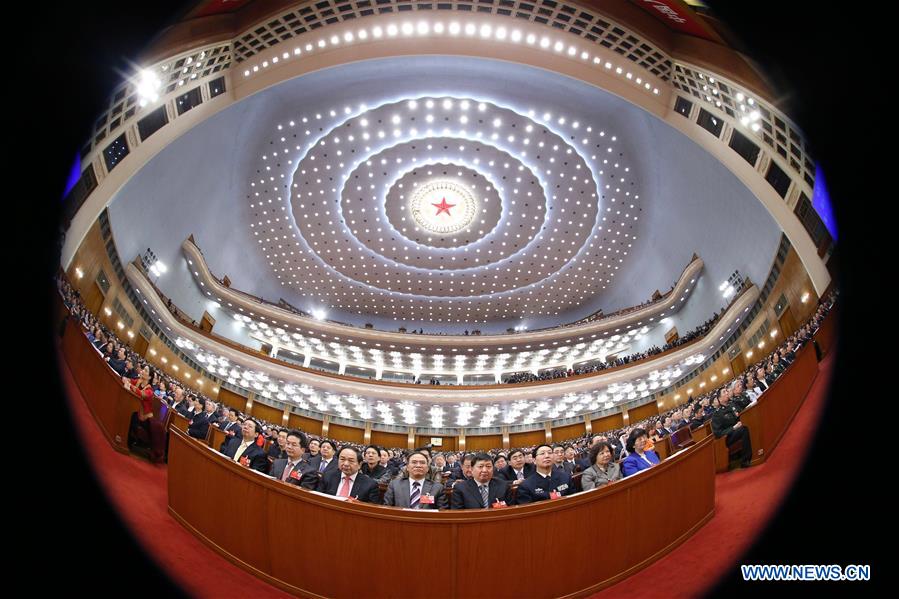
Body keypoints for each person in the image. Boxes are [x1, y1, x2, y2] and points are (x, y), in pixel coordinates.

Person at [383, 451, 447, 509]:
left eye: (422, 463)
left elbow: (442, 512)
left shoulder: (437, 488)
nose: (418, 465)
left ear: (427, 468)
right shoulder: (395, 485)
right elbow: (387, 508)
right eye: (414, 462)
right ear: (407, 467)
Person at [711, 388, 753, 468]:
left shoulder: (732, 405)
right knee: (744, 430)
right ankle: (745, 461)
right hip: (727, 437)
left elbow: (742, 413)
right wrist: (733, 428)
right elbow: (718, 433)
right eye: (724, 392)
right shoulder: (717, 414)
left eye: (727, 391)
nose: (727, 393)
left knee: (748, 422)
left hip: (738, 429)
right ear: (719, 398)